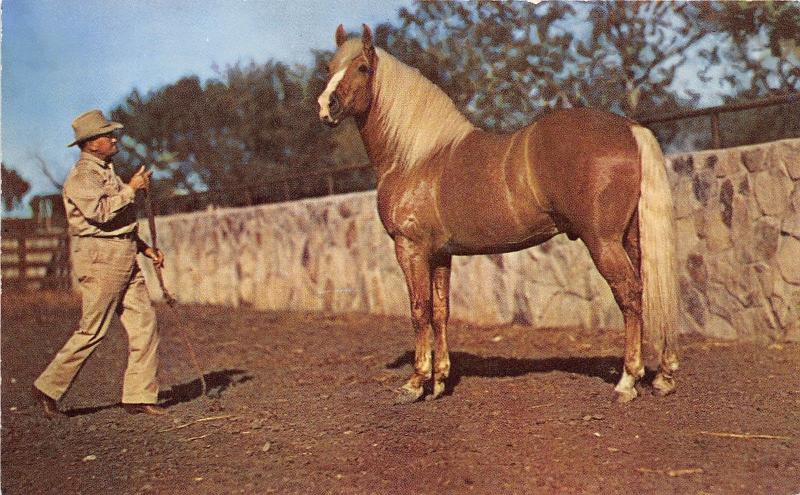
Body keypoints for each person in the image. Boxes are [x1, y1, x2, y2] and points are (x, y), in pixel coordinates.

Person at [32, 109, 168, 417]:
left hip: (123, 254)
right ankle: (47, 387)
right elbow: (101, 214)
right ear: (93, 143)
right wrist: (131, 189)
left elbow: (119, 221)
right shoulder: (82, 176)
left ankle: (138, 395)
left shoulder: (106, 171)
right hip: (100, 259)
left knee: (144, 323)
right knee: (93, 330)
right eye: (108, 134)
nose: (114, 138)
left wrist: (145, 248)